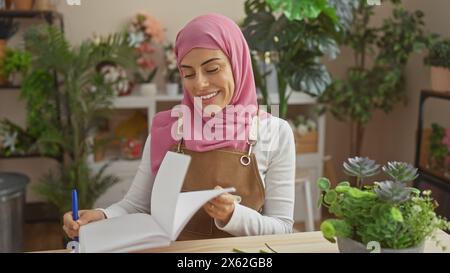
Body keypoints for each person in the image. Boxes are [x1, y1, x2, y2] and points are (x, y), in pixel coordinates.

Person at [63, 13, 295, 241]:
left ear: (237, 64)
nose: (200, 84)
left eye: (212, 69)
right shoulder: (167, 129)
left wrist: (234, 216)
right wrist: (102, 216)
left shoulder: (275, 132)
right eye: (188, 73)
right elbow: (135, 206)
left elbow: (283, 229)